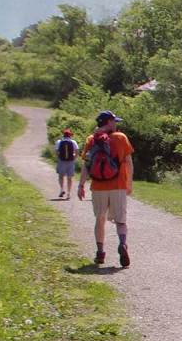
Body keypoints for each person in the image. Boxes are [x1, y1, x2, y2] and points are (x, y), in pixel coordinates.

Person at [77, 110, 134, 267]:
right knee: (121, 221)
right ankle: (122, 244)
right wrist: (129, 183)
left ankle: (100, 253)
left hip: (98, 187)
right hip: (118, 186)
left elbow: (86, 165)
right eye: (114, 121)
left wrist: (81, 185)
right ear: (108, 122)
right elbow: (128, 162)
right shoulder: (121, 138)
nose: (116, 124)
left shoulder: (91, 139)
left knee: (100, 219)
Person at [53, 128, 78, 199]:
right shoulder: (73, 142)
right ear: (70, 135)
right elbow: (77, 152)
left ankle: (61, 190)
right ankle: (68, 193)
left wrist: (59, 157)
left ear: (63, 135)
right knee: (69, 178)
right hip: (70, 161)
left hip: (61, 161)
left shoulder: (59, 142)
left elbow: (56, 152)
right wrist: (74, 158)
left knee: (61, 176)